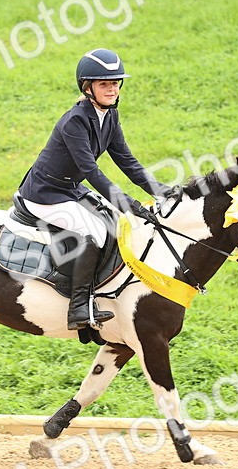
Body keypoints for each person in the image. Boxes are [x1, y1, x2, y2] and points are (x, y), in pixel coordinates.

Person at [18, 48, 177, 331]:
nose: (112, 89)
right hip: (44, 193)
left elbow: (127, 161)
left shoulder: (110, 117)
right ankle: (78, 307)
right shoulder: (75, 121)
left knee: (114, 225)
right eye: (105, 84)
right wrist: (126, 201)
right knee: (91, 232)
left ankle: (102, 290)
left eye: (115, 83)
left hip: (69, 189)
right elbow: (92, 170)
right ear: (87, 87)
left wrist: (161, 191)